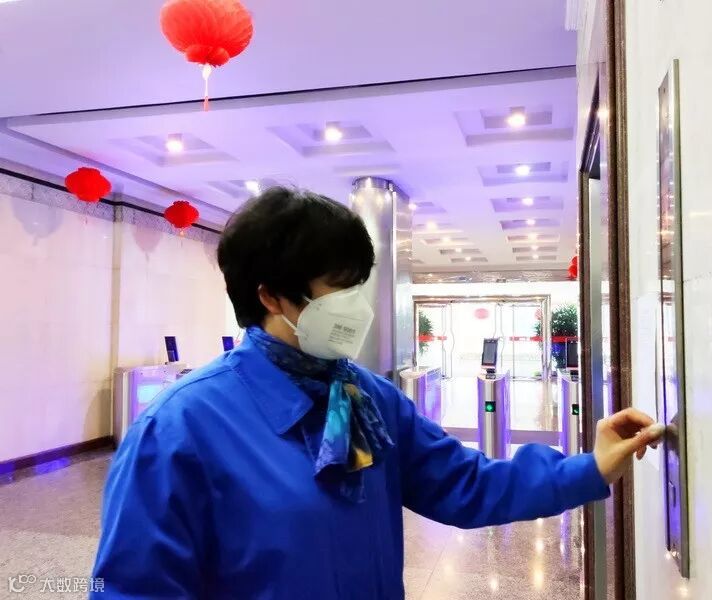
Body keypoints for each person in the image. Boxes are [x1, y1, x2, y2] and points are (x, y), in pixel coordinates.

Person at [92, 187, 664, 599]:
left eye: (358, 286)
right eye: (339, 289)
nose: (357, 306)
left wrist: (590, 467)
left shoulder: (363, 397)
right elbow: (135, 588)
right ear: (271, 296)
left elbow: (465, 484)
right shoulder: (180, 429)